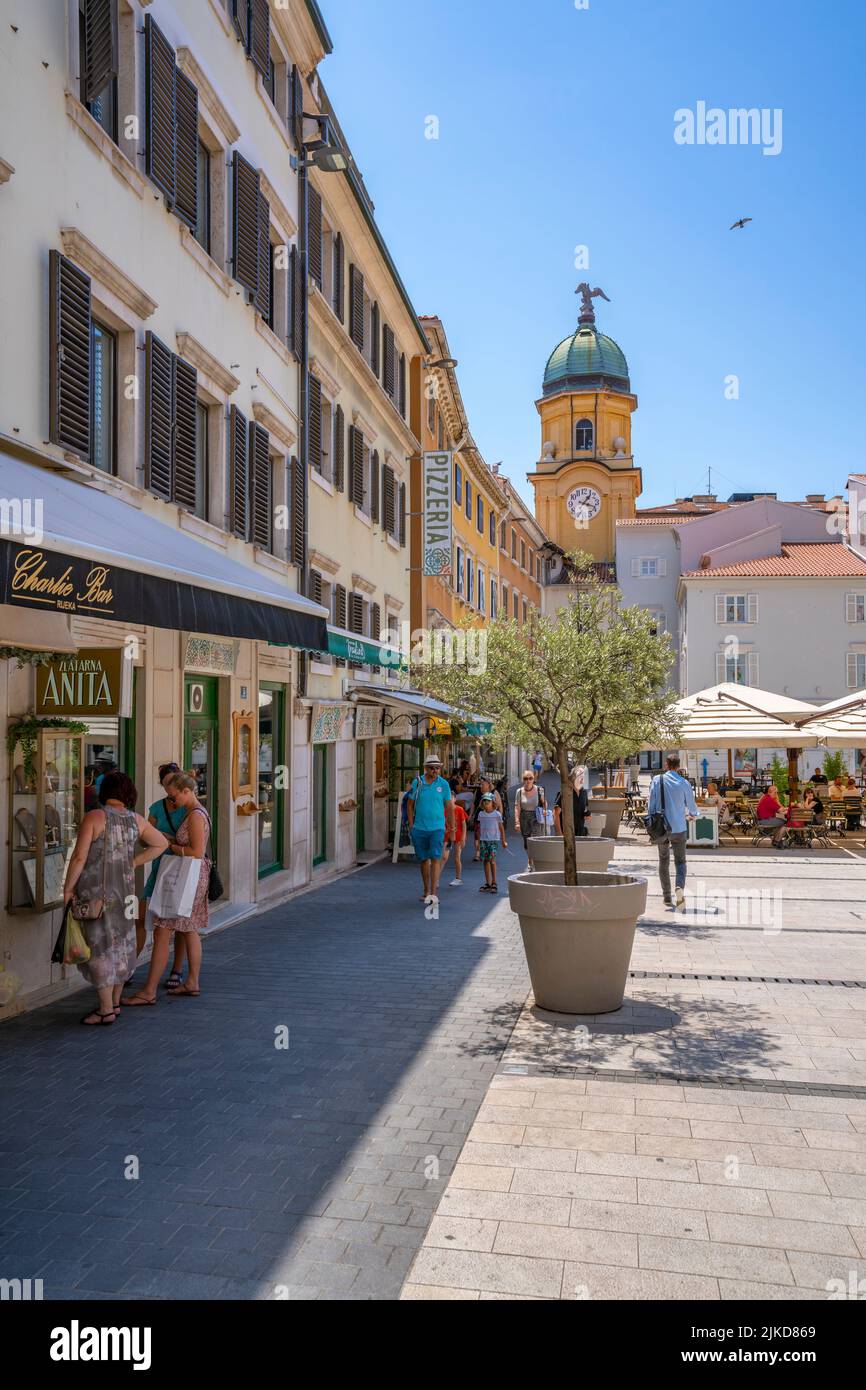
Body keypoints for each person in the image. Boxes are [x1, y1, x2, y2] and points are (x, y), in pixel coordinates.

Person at [62, 772, 167, 1026]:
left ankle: (106, 1009)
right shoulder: (136, 820)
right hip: (126, 895)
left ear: (104, 791)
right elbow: (161, 843)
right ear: (128, 794)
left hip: (98, 894)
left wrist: (67, 889)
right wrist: (133, 862)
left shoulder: (95, 817)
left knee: (99, 946)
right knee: (122, 945)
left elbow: (79, 857)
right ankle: (116, 1003)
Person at [123, 771, 212, 1004]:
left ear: (186, 791)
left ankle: (149, 991)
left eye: (174, 796)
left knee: (163, 930)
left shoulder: (194, 815)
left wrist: (169, 844)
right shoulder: (195, 812)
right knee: (189, 929)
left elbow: (196, 852)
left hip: (184, 877)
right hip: (190, 877)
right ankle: (191, 981)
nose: (172, 801)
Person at [133, 762, 189, 990]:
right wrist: (157, 838)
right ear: (163, 785)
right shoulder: (157, 808)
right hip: (159, 868)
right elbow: (144, 838)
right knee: (141, 917)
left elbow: (193, 842)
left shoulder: (189, 807)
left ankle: (177, 969)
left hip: (181, 868)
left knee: (180, 923)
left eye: (175, 780)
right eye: (167, 783)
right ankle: (129, 967)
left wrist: (165, 838)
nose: (171, 786)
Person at [647, 754, 699, 908]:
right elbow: (691, 805)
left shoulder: (657, 780)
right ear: (678, 766)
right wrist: (693, 815)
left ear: (666, 765)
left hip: (662, 828)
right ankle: (679, 888)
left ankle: (666, 896)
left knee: (663, 860)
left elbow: (651, 803)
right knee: (681, 861)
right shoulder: (684, 783)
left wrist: (651, 822)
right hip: (679, 827)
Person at [406, 755, 454, 907]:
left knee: (435, 858)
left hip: (437, 828)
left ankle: (433, 893)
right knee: (423, 860)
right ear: (426, 768)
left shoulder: (444, 784)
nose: (435, 771)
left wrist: (452, 827)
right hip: (419, 828)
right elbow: (409, 804)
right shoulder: (418, 782)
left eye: (437, 768)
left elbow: (449, 807)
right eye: (432, 768)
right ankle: (426, 890)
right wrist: (412, 826)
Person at [514, 769, 546, 870]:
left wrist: (545, 810)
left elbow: (544, 802)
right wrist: (517, 822)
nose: (528, 781)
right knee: (526, 842)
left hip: (536, 817)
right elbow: (517, 807)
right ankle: (530, 859)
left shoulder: (539, 790)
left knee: (535, 839)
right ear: (523, 779)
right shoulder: (519, 792)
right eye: (525, 778)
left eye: (530, 778)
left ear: (534, 779)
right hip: (524, 817)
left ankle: (533, 861)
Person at [477, 792, 507, 893]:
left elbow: (501, 828)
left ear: (493, 803)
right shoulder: (481, 814)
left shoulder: (497, 814)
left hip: (493, 840)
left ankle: (494, 882)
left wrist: (503, 841)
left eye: (488, 801)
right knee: (485, 861)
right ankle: (488, 883)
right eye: (484, 801)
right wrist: (478, 841)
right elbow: (479, 828)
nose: (486, 803)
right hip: (483, 840)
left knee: (492, 860)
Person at [441, 779, 468, 886]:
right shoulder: (444, 811)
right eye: (448, 798)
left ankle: (458, 878)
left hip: (458, 836)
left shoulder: (460, 809)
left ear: (455, 799)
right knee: (443, 857)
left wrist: (463, 838)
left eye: (451, 798)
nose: (449, 800)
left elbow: (464, 824)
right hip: (447, 837)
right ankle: (436, 878)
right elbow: (442, 824)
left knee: (457, 857)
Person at [470, 775, 504, 861]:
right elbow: (473, 803)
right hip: (479, 817)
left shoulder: (494, 793)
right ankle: (477, 852)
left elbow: (500, 805)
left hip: (491, 818)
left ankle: (489, 852)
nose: (481, 786)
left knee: (488, 836)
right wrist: (471, 815)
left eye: (483, 784)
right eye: (480, 784)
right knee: (477, 835)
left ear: (488, 785)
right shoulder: (477, 792)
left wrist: (499, 817)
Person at [554, 768, 589, 837]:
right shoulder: (565, 792)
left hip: (580, 833)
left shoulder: (584, 792)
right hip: (566, 833)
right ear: (574, 778)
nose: (582, 779)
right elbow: (555, 813)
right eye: (580, 776)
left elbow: (585, 810)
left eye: (583, 776)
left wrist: (587, 815)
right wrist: (559, 833)